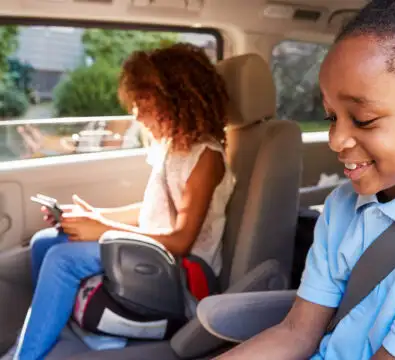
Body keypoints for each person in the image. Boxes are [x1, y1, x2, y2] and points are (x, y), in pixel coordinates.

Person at [217, 0, 395, 359]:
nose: (336, 140)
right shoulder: (344, 205)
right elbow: (297, 332)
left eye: (364, 119)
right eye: (331, 118)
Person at [13, 43, 235, 360]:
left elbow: (182, 239)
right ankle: (50, 330)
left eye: (145, 104)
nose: (136, 114)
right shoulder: (173, 146)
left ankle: (28, 355)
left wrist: (103, 229)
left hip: (180, 274)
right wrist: (94, 216)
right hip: (152, 252)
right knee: (44, 242)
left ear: (180, 101)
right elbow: (151, 211)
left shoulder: (206, 158)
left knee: (63, 260)